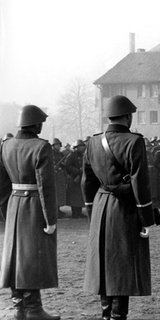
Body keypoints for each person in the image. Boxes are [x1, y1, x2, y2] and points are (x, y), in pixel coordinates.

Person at [82, 95, 157, 320]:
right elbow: (140, 183)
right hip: (124, 208)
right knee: (122, 264)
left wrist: (91, 208)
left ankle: (107, 314)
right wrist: (145, 218)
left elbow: (87, 180)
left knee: (104, 263)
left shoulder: (93, 141)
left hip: (101, 204)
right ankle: (117, 315)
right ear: (127, 117)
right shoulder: (134, 141)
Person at [0, 105, 60, 319]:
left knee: (16, 257)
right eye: (40, 123)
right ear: (34, 124)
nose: (41, 126)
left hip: (14, 205)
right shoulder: (41, 147)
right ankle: (33, 309)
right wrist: (50, 218)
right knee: (32, 257)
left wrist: (6, 210)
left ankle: (18, 308)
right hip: (34, 206)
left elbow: (2, 184)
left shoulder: (5, 145)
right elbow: (46, 186)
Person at [65, 139, 86, 218]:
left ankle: (79, 212)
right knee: (74, 197)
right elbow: (68, 166)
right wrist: (77, 171)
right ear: (76, 147)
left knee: (80, 196)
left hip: (80, 178)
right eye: (80, 146)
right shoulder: (71, 155)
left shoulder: (83, 155)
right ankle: (75, 213)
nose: (82, 148)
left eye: (82, 146)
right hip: (74, 178)